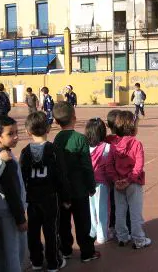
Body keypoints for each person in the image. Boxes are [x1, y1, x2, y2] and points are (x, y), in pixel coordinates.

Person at [20, 111, 70, 271]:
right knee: (51, 230)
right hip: (50, 196)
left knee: (33, 231)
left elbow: (22, 177)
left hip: (33, 197)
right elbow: (61, 175)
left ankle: (36, 261)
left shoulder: (25, 152)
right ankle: (53, 262)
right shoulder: (54, 150)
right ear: (48, 128)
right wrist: (66, 197)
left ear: (28, 132)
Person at [53, 101, 100, 262]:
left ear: (56, 121)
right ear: (74, 117)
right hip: (79, 189)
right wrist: (91, 185)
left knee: (64, 223)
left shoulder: (57, 139)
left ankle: (65, 249)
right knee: (83, 222)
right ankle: (87, 252)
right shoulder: (80, 139)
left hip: (63, 190)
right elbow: (87, 166)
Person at [106, 110, 151, 249]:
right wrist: (130, 179)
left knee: (120, 211)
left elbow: (109, 165)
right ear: (132, 128)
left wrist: (115, 180)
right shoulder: (137, 144)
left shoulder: (114, 145)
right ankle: (138, 239)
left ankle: (122, 237)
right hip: (133, 183)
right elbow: (139, 164)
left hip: (118, 184)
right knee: (135, 212)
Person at [0, 116, 27, 272]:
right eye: (10, 134)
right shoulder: (4, 158)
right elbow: (12, 190)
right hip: (9, 213)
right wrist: (20, 218)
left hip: (4, 211)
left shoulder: (3, 154)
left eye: (17, 132)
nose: (16, 137)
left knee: (3, 252)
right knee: (14, 252)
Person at [85, 118, 110, 244]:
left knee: (91, 209)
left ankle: (92, 231)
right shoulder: (106, 147)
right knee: (102, 210)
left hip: (88, 182)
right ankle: (102, 235)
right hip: (101, 183)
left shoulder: (84, 147)